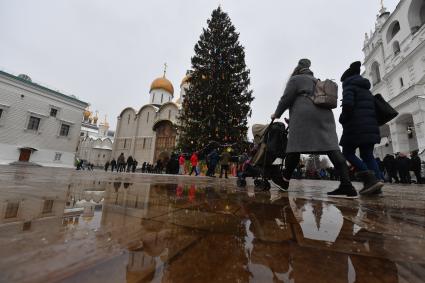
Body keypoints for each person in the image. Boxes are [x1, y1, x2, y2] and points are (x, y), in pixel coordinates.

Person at [271, 59, 357, 198]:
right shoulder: (317, 81)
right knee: (331, 147)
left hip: (304, 116)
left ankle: (285, 181)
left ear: (298, 69)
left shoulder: (296, 79)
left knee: (295, 147)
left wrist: (277, 114)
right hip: (325, 115)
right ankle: (347, 185)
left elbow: (286, 98)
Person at [339, 61, 384, 195]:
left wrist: (342, 118)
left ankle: (371, 180)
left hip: (355, 128)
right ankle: (378, 182)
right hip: (370, 128)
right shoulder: (366, 90)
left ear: (347, 79)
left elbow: (348, 106)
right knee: (368, 155)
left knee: (347, 152)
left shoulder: (349, 88)